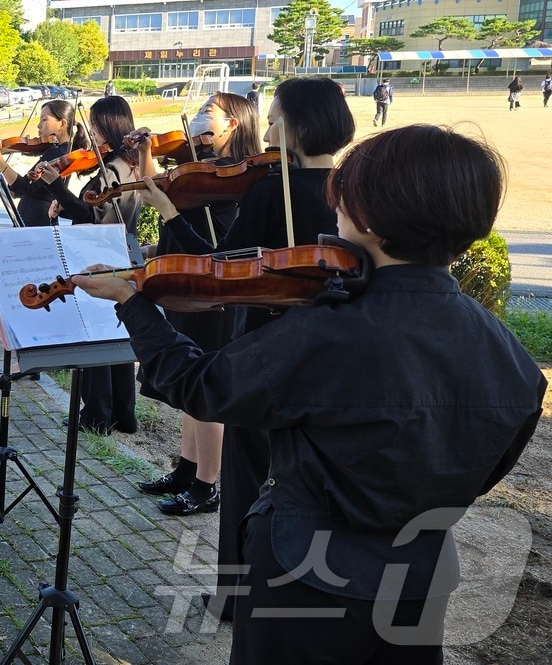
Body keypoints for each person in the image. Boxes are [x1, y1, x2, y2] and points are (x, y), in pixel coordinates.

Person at [73, 124, 543, 665]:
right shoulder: (511, 356)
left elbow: (200, 387)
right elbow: (486, 466)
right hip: (420, 577)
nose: (335, 218)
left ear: (366, 220)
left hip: (305, 575)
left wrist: (133, 304)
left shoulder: (329, 333)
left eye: (342, 205)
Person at [141, 76, 355, 619]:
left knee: (247, 481)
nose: (270, 128)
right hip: (333, 356)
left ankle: (236, 598)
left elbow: (219, 270)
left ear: (299, 125)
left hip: (267, 350)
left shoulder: (270, 188)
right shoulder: (355, 188)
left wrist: (169, 215)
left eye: (277, 116)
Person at [136, 92, 263, 518]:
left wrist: (170, 209)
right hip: (187, 287)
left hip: (213, 295)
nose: (199, 118)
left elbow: (217, 250)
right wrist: (145, 149)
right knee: (191, 387)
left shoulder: (236, 179)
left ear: (234, 123)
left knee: (206, 389)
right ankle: (186, 469)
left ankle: (208, 485)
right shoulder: (203, 166)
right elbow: (155, 186)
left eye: (209, 111)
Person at [35, 95, 143, 434]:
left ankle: (96, 414)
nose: (92, 132)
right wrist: (64, 206)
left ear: (110, 126)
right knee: (118, 336)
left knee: (96, 336)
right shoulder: (130, 163)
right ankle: (123, 413)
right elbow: (96, 207)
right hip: (123, 251)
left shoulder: (112, 168)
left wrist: (57, 188)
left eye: (96, 126)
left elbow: (92, 213)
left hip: (102, 256)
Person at [0, 99, 86, 226]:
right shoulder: (60, 151)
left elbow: (24, 187)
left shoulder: (57, 154)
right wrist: (0, 189)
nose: (39, 125)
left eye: (44, 119)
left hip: (37, 219)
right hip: (38, 218)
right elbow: (34, 189)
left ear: (62, 124)